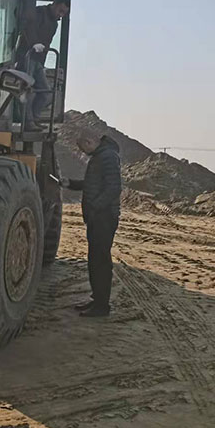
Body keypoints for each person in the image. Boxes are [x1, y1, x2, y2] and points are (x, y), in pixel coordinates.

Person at [61, 132, 121, 317]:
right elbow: (92, 184)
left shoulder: (108, 157)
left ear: (89, 142)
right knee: (95, 260)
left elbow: (114, 187)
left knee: (101, 261)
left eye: (82, 148)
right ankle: (97, 301)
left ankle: (102, 307)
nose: (82, 153)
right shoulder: (100, 156)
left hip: (104, 217)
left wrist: (95, 206)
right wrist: (69, 183)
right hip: (97, 217)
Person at [16, 0, 70, 131]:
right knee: (25, 91)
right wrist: (33, 44)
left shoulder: (54, 25)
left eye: (64, 13)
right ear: (54, 4)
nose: (61, 15)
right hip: (27, 56)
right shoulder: (38, 13)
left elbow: (47, 42)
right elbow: (29, 29)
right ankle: (27, 122)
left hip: (38, 60)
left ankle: (35, 118)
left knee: (45, 91)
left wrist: (43, 62)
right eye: (60, 11)